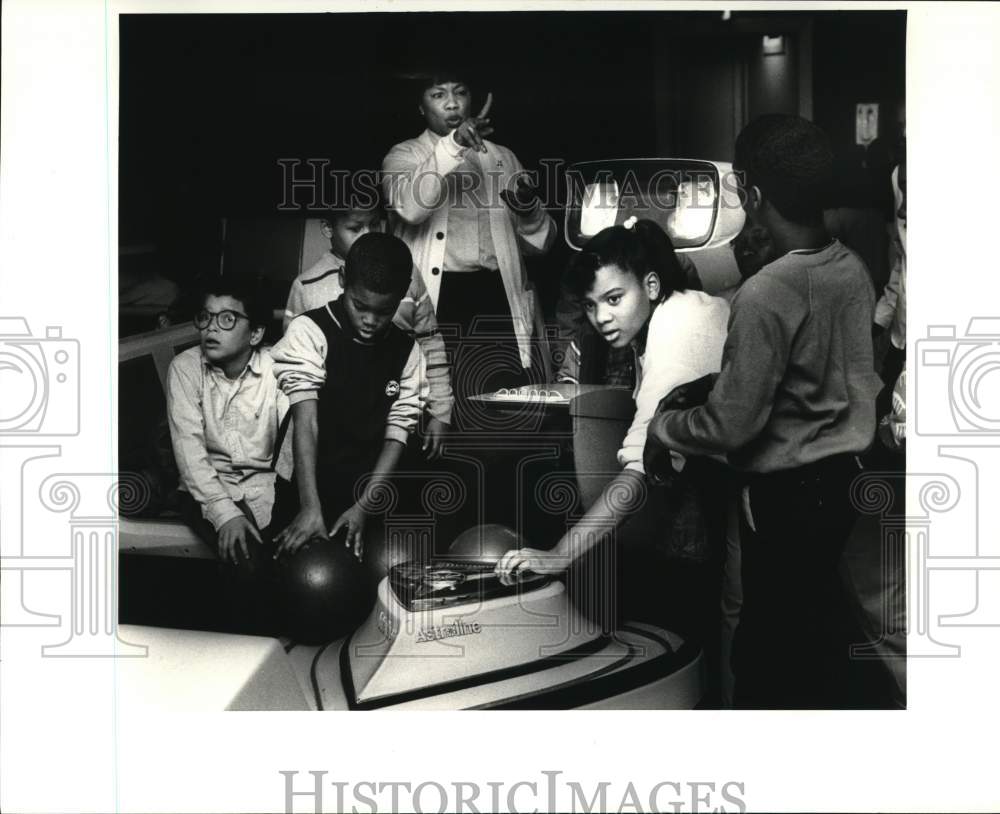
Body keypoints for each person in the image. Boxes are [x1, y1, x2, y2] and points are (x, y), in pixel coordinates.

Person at [643, 114, 884, 709]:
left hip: (786, 497)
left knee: (766, 654)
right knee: (820, 637)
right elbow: (821, 375)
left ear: (751, 195)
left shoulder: (765, 293)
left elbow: (732, 425)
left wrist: (665, 424)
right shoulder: (849, 267)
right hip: (844, 482)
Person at [494, 218, 730, 680]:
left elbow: (638, 472)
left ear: (652, 285)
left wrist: (558, 556)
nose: (600, 317)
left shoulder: (677, 332)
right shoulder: (679, 310)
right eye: (590, 304)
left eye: (614, 299)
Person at [381, 69, 556, 428]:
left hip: (496, 299)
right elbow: (411, 208)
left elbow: (541, 244)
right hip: (437, 300)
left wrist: (528, 207)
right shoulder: (404, 155)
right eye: (438, 94)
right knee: (434, 405)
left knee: (502, 410)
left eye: (459, 92)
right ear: (420, 106)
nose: (451, 103)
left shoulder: (503, 157)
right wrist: (454, 145)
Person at [271, 232, 428, 559]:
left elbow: (396, 437)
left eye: (384, 310)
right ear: (343, 279)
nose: (370, 320)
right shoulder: (308, 332)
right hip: (305, 485)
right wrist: (310, 507)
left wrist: (363, 507)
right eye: (360, 305)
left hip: (367, 487)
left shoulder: (409, 353)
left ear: (403, 294)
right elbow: (307, 423)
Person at [166, 277, 290, 633]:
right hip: (206, 489)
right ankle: (247, 653)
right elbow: (190, 455)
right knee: (246, 560)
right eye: (205, 317)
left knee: (291, 561)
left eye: (227, 319)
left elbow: (290, 449)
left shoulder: (276, 370)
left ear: (255, 334)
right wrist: (225, 514)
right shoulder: (187, 369)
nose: (210, 329)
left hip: (267, 487)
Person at [284, 205, 453, 458]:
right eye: (354, 228)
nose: (366, 234)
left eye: (374, 225)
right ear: (328, 228)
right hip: (326, 432)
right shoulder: (306, 286)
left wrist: (441, 410)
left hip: (390, 425)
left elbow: (429, 341)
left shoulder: (405, 274)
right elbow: (294, 373)